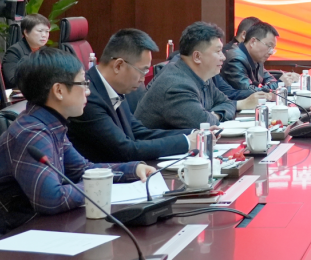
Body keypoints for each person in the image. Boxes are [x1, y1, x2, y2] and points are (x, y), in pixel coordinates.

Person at [0, 48, 155, 233]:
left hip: (41, 228)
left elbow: (83, 169)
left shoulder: (51, 124)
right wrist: (99, 186)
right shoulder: (31, 133)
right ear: (59, 90)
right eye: (83, 83)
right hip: (15, 237)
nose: (88, 92)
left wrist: (133, 169)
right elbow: (52, 199)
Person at [67, 29, 202, 163]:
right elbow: (125, 150)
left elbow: (139, 132)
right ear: (118, 66)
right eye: (142, 71)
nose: (143, 79)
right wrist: (186, 142)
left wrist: (193, 134)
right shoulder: (87, 97)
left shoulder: (114, 87)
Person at [135, 22, 236, 129]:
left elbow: (228, 103)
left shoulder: (201, 75)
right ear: (197, 57)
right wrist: (213, 116)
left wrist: (214, 115)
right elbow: (203, 123)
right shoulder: (177, 85)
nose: (223, 57)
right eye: (218, 51)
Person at [220, 21, 297, 100]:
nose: (271, 52)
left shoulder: (257, 57)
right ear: (253, 42)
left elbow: (268, 78)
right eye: (269, 46)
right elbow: (249, 91)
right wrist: (279, 84)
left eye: (273, 48)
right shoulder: (235, 59)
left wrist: (277, 83)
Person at [1, 14, 51, 90]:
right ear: (26, 32)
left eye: (47, 31)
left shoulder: (45, 50)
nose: (44, 35)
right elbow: (12, 81)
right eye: (40, 31)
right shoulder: (14, 51)